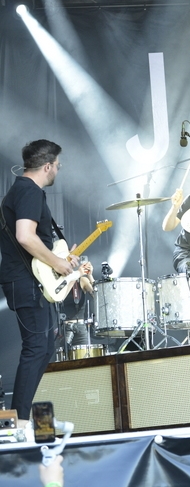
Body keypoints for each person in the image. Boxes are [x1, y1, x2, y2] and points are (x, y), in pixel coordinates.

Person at [0, 140, 92, 436]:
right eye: (58, 166)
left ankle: (25, 419)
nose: (58, 171)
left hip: (31, 279)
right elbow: (25, 236)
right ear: (48, 166)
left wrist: (62, 258)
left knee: (44, 347)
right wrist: (59, 263)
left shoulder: (24, 191)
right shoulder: (28, 191)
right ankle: (20, 424)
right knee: (36, 347)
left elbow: (33, 241)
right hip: (26, 281)